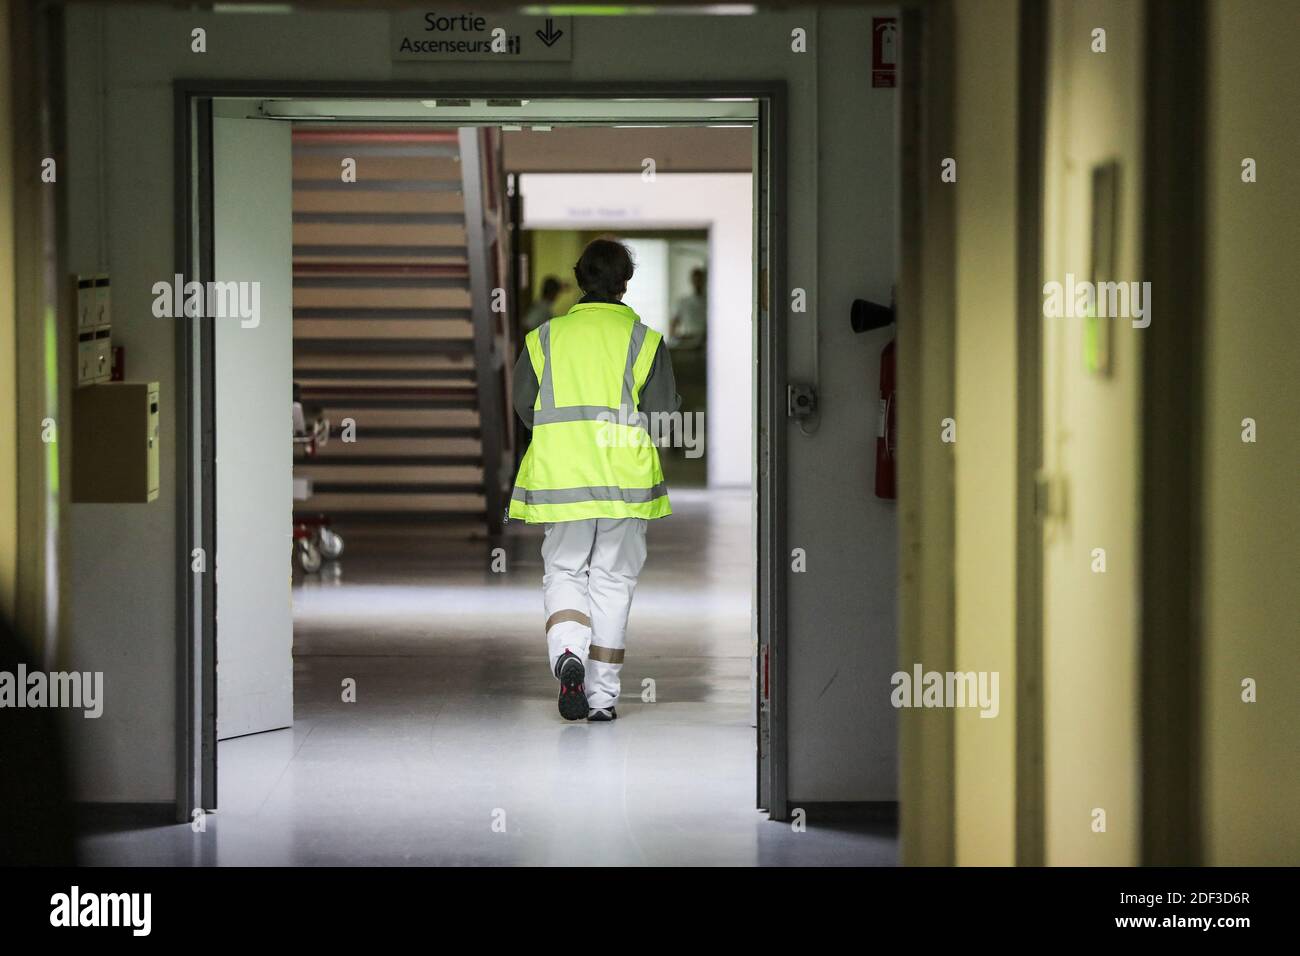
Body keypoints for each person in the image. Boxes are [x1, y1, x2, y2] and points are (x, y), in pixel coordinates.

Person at [509, 238, 680, 722]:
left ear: (580, 279)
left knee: (564, 570)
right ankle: (602, 698)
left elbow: (524, 405)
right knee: (613, 580)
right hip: (625, 479)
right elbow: (665, 413)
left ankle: (568, 653)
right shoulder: (646, 341)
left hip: (561, 476)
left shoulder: (544, 338)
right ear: (625, 284)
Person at [669, 267, 707, 350]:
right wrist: (675, 339)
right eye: (695, 280)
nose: (697, 283)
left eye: (699, 280)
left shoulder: (709, 302)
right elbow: (673, 324)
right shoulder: (684, 302)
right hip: (688, 343)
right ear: (692, 281)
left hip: (704, 344)